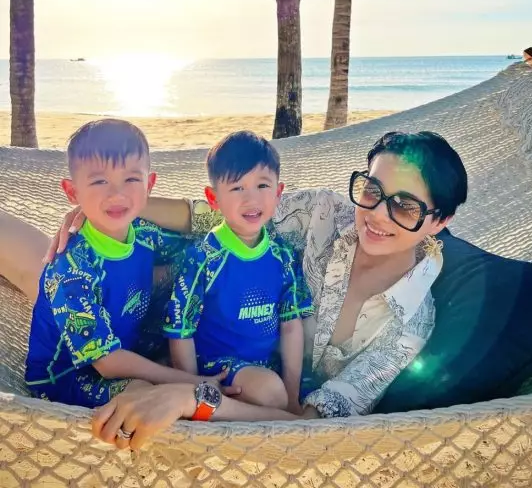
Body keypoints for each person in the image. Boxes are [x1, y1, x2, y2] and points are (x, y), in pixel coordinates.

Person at [0, 130, 468, 448]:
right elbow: (210, 214)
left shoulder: (409, 325)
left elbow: (310, 426)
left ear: (440, 222)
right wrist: (105, 207)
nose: (378, 214)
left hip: (231, 375)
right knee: (41, 268)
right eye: (371, 190)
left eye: (406, 207)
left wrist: (196, 398)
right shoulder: (324, 212)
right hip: (147, 301)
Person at [25, 119, 226, 410]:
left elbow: (205, 244)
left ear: (149, 185)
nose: (116, 194)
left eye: (131, 179)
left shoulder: (144, 234)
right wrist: (189, 381)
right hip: (67, 377)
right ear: (72, 193)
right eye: (99, 182)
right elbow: (106, 364)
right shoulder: (71, 269)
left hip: (131, 346)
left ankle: (260, 412)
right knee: (144, 393)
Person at [163, 131, 313, 413]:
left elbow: (291, 325)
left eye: (262, 185)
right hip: (217, 368)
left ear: (278, 192)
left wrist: (293, 397)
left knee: (315, 397)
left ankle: (279, 410)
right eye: (237, 188)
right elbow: (180, 329)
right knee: (271, 392)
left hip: (269, 365)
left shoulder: (282, 255)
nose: (251, 199)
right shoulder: (204, 257)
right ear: (213, 198)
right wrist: (195, 386)